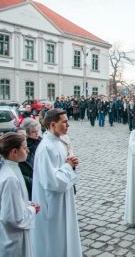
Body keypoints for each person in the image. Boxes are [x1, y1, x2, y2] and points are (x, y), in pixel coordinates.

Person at [32, 109, 82, 257]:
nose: (68, 125)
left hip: (64, 198)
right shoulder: (45, 148)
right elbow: (52, 181)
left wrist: (70, 164)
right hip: (52, 204)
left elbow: (64, 166)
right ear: (53, 124)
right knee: (55, 241)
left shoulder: (59, 142)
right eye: (65, 122)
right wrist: (68, 167)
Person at [0, 132, 40, 257]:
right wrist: (31, 209)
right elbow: (13, 218)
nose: (27, 151)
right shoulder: (10, 178)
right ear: (14, 152)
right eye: (24, 147)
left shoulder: (10, 168)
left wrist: (27, 204)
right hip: (14, 240)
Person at [18, 119, 41, 199]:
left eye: (37, 131)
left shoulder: (40, 142)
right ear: (27, 132)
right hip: (30, 184)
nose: (37, 133)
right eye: (34, 131)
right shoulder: (22, 146)